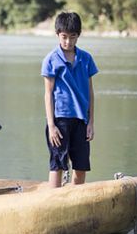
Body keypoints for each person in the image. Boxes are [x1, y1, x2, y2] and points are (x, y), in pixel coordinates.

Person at [42, 12, 98, 188]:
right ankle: (53, 203)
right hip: (60, 120)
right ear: (58, 34)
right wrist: (51, 125)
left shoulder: (86, 59)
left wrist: (91, 122)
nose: (68, 42)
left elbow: (90, 91)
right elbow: (48, 93)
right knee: (57, 165)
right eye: (64, 37)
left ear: (78, 35)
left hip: (81, 120)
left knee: (81, 167)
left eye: (72, 37)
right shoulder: (51, 59)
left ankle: (74, 204)